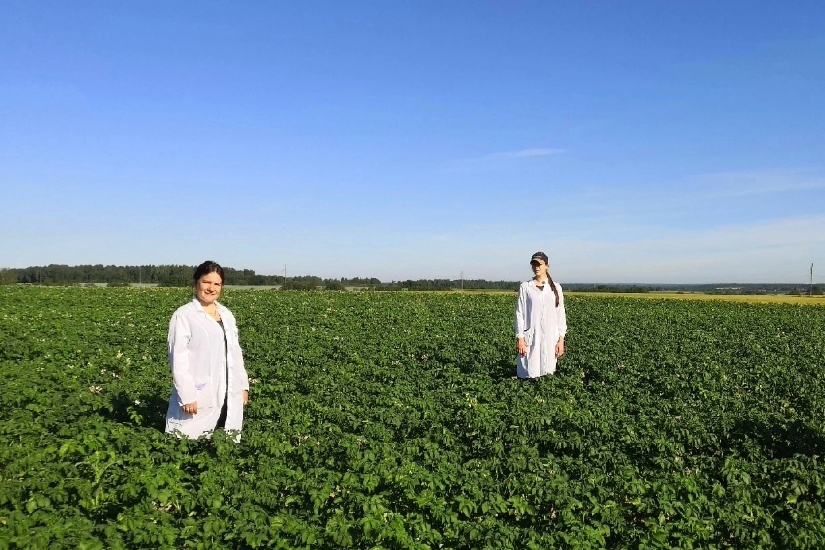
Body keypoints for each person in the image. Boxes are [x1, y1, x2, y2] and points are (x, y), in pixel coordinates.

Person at [165, 261, 250, 439]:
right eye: (206, 282)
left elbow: (235, 352)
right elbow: (178, 359)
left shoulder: (226, 314)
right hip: (199, 395)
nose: (211, 288)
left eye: (216, 284)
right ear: (196, 282)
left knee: (224, 445)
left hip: (229, 392)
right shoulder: (184, 315)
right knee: (189, 443)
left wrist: (243, 386)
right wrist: (187, 395)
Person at [514, 252, 567, 379]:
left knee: (547, 370)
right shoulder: (526, 287)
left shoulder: (556, 288)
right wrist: (520, 338)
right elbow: (519, 313)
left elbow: (560, 314)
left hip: (550, 336)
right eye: (534, 264)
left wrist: (561, 339)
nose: (536, 267)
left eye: (539, 264)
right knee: (529, 371)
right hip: (531, 336)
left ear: (547, 265)